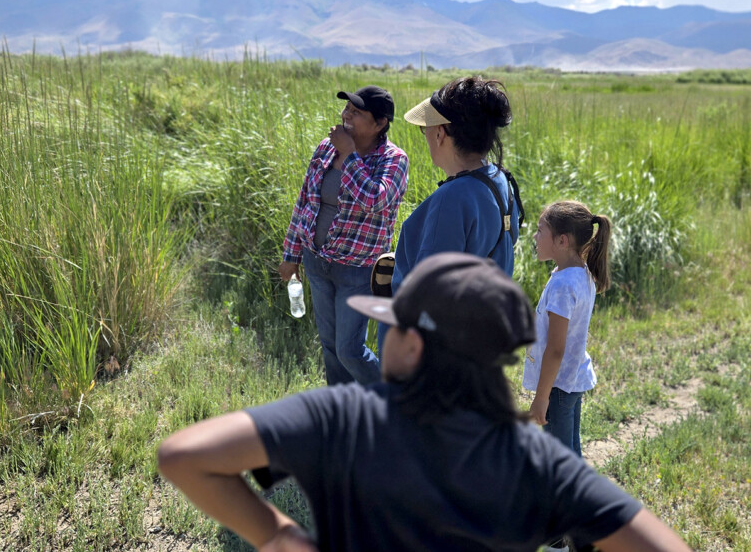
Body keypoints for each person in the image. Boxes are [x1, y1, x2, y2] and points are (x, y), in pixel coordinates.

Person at [158, 252, 691, 552]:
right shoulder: (533, 458)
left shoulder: (345, 417)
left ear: (413, 346)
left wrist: (276, 535)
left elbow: (183, 456)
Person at [378, 76, 523, 348]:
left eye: (426, 129)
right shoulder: (499, 179)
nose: (426, 136)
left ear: (440, 133)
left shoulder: (450, 199)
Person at [278, 86, 408, 385]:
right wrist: (291, 255)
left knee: (349, 350)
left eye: (356, 112)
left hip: (357, 270)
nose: (346, 115)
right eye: (347, 108)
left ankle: (396, 400)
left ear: (380, 123)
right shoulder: (327, 148)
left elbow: (374, 200)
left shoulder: (393, 160)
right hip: (317, 262)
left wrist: (349, 154)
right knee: (330, 345)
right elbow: (305, 201)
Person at [525, 201, 613, 456]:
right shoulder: (580, 274)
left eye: (540, 230)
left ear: (562, 240)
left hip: (558, 386)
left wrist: (542, 397)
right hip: (571, 380)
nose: (535, 236)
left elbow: (556, 349)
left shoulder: (563, 285)